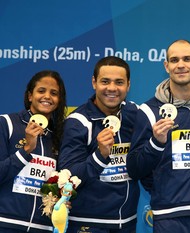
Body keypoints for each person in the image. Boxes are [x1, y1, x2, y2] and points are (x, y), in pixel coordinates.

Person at [126, 39, 190, 233]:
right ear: (166, 66)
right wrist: (156, 143)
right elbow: (135, 167)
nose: (181, 65)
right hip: (170, 215)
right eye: (174, 60)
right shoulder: (149, 110)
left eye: (187, 59)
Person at [58, 56, 139, 233]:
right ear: (94, 82)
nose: (112, 88)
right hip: (87, 223)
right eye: (105, 81)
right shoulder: (78, 122)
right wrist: (100, 155)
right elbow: (66, 178)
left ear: (128, 85)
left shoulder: (135, 115)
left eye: (119, 82)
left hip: (126, 222)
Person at [0, 70, 67, 232]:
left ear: (59, 100)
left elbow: (53, 180)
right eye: (41, 91)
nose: (47, 97)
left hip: (41, 226)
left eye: (54, 93)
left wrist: (60, 197)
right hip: (6, 223)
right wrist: (26, 150)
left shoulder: (59, 136)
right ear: (30, 96)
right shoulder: (7, 123)